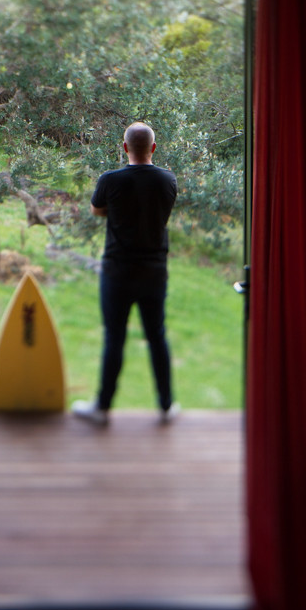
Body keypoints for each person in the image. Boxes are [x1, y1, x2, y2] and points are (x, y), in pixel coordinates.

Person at [72, 122, 180, 426]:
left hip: (118, 271)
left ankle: (102, 408)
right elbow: (159, 212)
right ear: (153, 148)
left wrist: (118, 209)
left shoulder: (110, 180)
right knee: (157, 336)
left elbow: (97, 210)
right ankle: (167, 405)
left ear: (124, 148)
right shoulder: (167, 180)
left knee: (114, 338)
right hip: (154, 271)